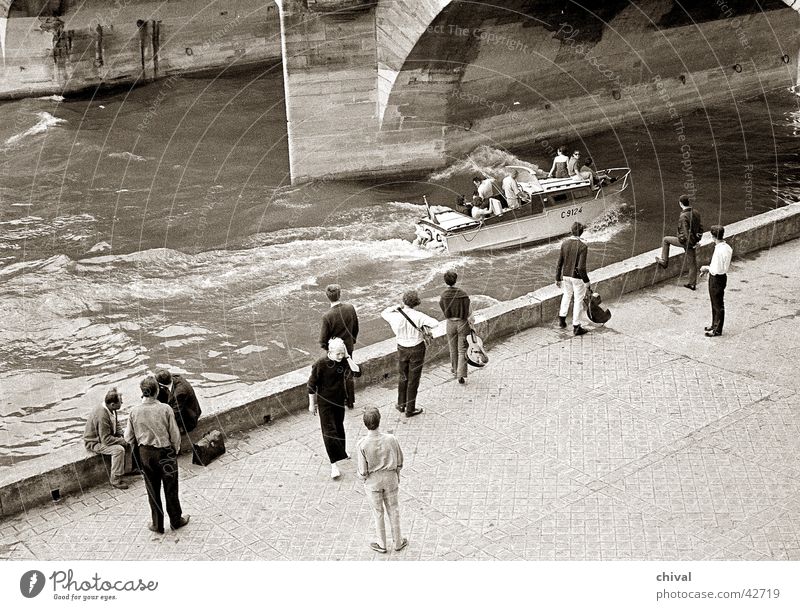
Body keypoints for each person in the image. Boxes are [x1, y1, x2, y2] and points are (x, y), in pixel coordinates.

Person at [124, 376, 190, 534]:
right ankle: (175, 520)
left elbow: (128, 437)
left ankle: (157, 524)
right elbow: (175, 434)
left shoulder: (134, 411)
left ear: (142, 392)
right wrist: (175, 449)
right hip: (165, 453)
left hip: (145, 453)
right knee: (171, 487)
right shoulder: (165, 409)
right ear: (157, 390)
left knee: (152, 489)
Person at [308, 337, 362, 479]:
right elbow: (311, 385)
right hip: (325, 403)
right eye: (337, 354)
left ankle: (342, 451)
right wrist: (311, 404)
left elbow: (357, 372)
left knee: (339, 427)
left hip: (339, 400)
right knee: (328, 431)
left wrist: (347, 356)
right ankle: (334, 465)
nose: (340, 357)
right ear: (330, 352)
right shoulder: (320, 365)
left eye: (341, 353)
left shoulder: (343, 361)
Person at [381, 289, 439, 417]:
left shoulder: (394, 316)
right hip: (417, 348)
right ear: (416, 302)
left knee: (403, 376)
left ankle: (401, 404)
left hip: (402, 348)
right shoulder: (419, 316)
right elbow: (435, 323)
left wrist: (396, 307)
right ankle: (410, 408)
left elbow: (383, 313)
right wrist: (424, 326)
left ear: (403, 301)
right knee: (414, 379)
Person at [357, 408, 407, 554]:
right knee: (394, 510)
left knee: (378, 512)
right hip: (391, 479)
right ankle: (398, 541)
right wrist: (397, 473)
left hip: (373, 482)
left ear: (365, 424)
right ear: (379, 420)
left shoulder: (362, 444)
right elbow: (400, 461)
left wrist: (364, 478)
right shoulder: (391, 439)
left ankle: (382, 543)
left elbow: (363, 471)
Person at [319, 284, 360, 409]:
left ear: (328, 297)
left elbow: (322, 340)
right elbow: (356, 327)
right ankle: (350, 401)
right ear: (340, 294)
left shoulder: (327, 316)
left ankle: (339, 399)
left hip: (335, 351)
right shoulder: (350, 308)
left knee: (336, 375)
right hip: (348, 347)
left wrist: (329, 350)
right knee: (348, 374)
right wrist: (351, 341)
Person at [83, 387, 130, 490]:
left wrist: (122, 434)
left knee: (128, 440)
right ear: (113, 404)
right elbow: (106, 440)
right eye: (120, 402)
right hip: (94, 442)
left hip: (104, 437)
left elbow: (116, 423)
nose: (122, 403)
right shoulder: (102, 415)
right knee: (119, 450)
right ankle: (115, 480)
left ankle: (128, 469)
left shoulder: (110, 408)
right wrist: (122, 441)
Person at [655, 194, 704, 290]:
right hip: (693, 241)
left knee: (666, 239)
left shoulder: (683, 216)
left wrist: (691, 244)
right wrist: (697, 241)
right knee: (692, 263)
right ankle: (692, 284)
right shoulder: (696, 212)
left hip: (686, 241)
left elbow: (686, 232)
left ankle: (664, 261)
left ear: (680, 203)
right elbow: (701, 228)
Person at [556, 221, 592, 336]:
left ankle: (562, 320)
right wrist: (587, 281)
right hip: (577, 278)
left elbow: (559, 263)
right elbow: (581, 267)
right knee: (578, 301)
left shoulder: (564, 244)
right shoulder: (583, 247)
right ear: (581, 233)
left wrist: (558, 278)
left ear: (571, 231)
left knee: (566, 296)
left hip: (565, 276)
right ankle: (576, 327)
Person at [439, 270, 473, 384]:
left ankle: (454, 370)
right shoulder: (463, 294)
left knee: (452, 349)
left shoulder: (443, 296)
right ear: (456, 280)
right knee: (462, 350)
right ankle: (461, 375)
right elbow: (469, 312)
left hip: (450, 323)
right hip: (462, 323)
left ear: (445, 281)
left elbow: (443, 308)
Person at [700, 225, 733, 337]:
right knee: (716, 302)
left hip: (716, 278)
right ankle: (715, 324)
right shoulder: (727, 248)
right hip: (722, 277)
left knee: (717, 304)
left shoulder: (719, 250)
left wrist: (706, 268)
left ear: (713, 236)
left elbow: (716, 269)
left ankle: (717, 329)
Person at [154, 368, 201, 433]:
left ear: (161, 384)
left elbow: (175, 413)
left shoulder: (180, 392)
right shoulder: (174, 377)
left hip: (188, 419)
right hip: (180, 405)